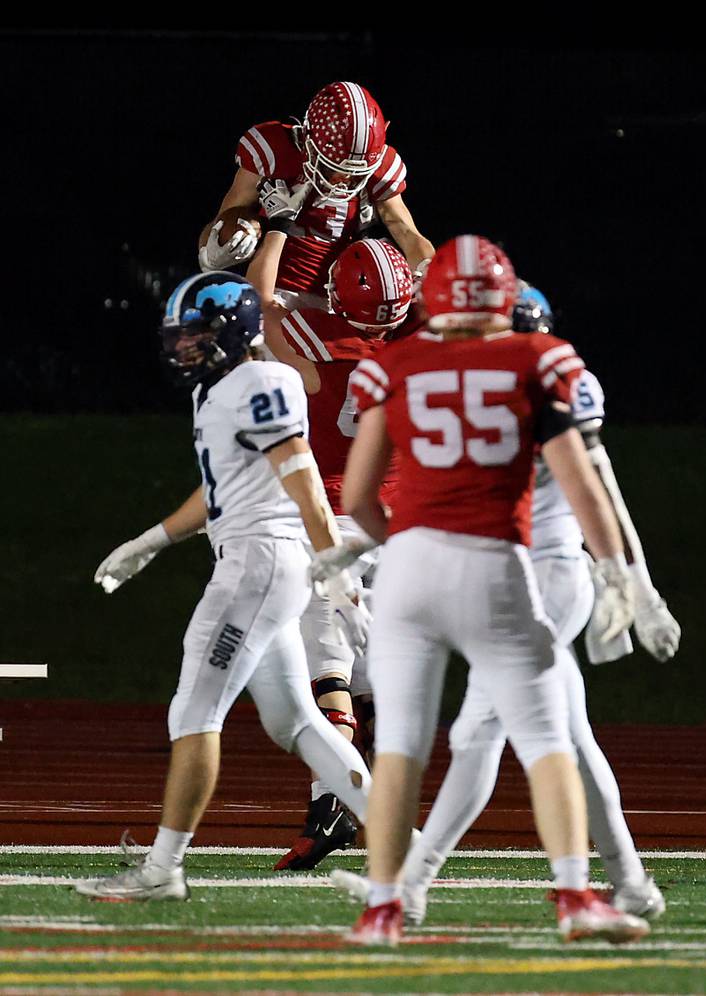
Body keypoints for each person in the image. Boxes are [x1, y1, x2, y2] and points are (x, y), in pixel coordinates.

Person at [313, 235, 650, 945]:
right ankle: (573, 893)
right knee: (546, 738)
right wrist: (621, 570)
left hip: (411, 567)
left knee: (401, 743)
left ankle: (383, 908)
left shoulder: (395, 363)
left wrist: (390, 539)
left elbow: (366, 494)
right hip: (496, 564)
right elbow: (584, 484)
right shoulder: (537, 361)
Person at [76, 271, 372, 901]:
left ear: (233, 330)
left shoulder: (262, 381)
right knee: (294, 720)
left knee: (194, 710)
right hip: (258, 560)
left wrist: (338, 568)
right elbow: (220, 494)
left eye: (197, 334)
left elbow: (302, 476)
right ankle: (404, 840)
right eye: (179, 335)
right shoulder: (221, 388)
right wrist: (150, 542)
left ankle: (162, 869)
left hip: (257, 566)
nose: (183, 346)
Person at [261, 238, 417, 871]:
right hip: (401, 524)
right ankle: (377, 799)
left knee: (328, 669)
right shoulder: (422, 350)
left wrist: (278, 228)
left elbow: (260, 303)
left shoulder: (315, 337)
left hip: (332, 518)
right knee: (376, 678)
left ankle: (328, 810)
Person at [197, 81, 434, 312]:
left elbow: (406, 231)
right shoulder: (275, 151)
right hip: (270, 289)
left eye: (356, 173)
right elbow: (221, 221)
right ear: (307, 141)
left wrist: (430, 273)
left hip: (341, 299)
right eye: (335, 167)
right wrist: (215, 252)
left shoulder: (380, 167)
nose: (344, 179)